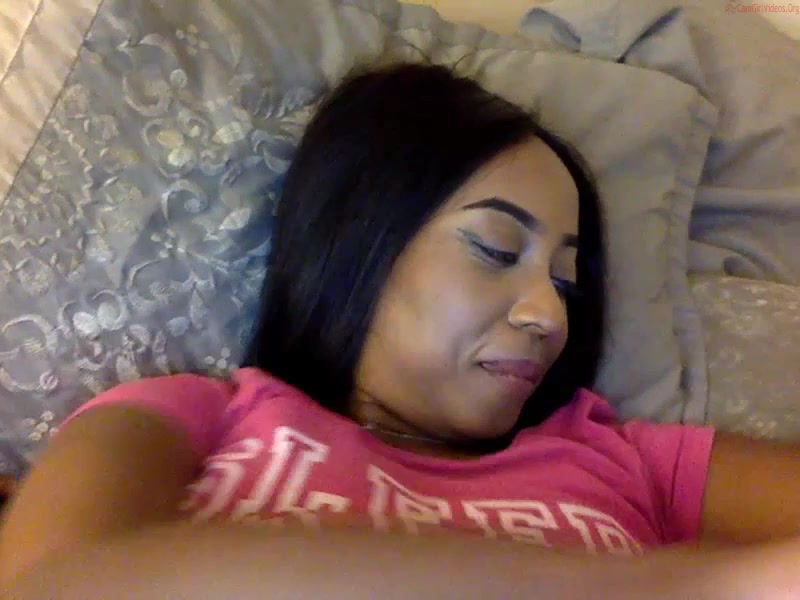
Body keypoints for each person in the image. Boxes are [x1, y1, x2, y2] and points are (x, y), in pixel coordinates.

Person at [1, 62, 800, 598]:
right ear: (361, 240)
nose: (550, 315)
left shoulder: (629, 462)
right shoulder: (192, 415)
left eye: (566, 280)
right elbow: (53, 582)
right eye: (495, 249)